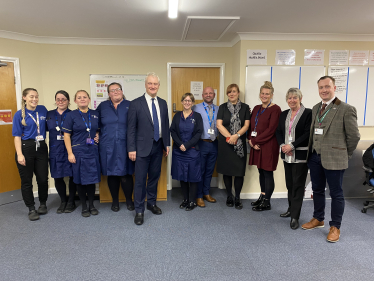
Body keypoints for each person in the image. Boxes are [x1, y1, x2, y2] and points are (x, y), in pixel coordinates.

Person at [301, 76, 360, 242]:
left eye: (327, 87)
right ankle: (318, 218)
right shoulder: (315, 108)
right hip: (314, 157)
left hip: (335, 158)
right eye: (320, 87)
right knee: (317, 190)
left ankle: (335, 226)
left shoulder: (346, 109)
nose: (324, 90)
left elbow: (354, 136)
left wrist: (344, 154)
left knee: (336, 193)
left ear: (334, 88)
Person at [127, 72, 170, 225]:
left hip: (158, 147)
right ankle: (139, 210)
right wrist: (131, 148)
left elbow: (165, 125)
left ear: (159, 86)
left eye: (155, 84)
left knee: (154, 177)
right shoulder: (135, 103)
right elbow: (131, 128)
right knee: (139, 180)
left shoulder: (163, 103)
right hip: (140, 149)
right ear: (145, 85)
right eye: (150, 83)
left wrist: (167, 144)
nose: (153, 86)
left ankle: (151, 203)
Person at [276, 88, 312, 229]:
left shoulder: (308, 113)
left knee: (298, 185)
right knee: (290, 184)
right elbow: (278, 131)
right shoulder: (284, 114)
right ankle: (291, 209)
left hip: (300, 155)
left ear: (300, 98)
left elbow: (307, 133)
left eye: (295, 97)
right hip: (286, 154)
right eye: (289, 98)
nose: (292, 100)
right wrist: (283, 145)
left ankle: (295, 217)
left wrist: (292, 145)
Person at [62, 90, 101, 218]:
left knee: (91, 179)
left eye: (85, 97)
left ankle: (92, 205)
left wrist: (97, 135)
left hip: (92, 150)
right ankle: (84, 206)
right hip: (78, 151)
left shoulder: (95, 114)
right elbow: (66, 135)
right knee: (79, 179)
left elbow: (98, 129)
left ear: (89, 99)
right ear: (75, 101)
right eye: (79, 97)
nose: (82, 99)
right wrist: (70, 153)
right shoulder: (71, 115)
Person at [96, 83, 134, 212]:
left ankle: (129, 200)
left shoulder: (131, 105)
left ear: (122, 91)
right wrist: (95, 133)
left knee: (126, 173)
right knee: (112, 174)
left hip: (126, 145)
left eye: (118, 89)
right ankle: (115, 201)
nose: (116, 92)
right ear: (109, 94)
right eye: (113, 90)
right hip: (108, 145)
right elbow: (95, 123)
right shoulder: (102, 107)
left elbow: (137, 125)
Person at [12, 88, 49, 221]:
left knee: (43, 179)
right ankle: (31, 208)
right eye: (31, 97)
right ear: (24, 98)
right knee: (27, 180)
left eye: (36, 97)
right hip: (25, 147)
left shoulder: (43, 109)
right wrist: (19, 154)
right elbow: (16, 137)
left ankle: (43, 204)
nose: (34, 99)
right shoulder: (19, 115)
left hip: (42, 147)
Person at [248, 81, 281, 211]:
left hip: (268, 145)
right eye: (262, 93)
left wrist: (255, 141)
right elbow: (251, 126)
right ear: (259, 94)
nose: (264, 96)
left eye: (267, 94)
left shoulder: (276, 109)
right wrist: (251, 140)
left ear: (271, 95)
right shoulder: (256, 108)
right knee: (261, 171)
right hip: (256, 145)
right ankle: (262, 196)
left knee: (267, 173)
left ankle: (267, 202)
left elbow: (271, 130)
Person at [216, 84, 250, 209]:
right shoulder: (222, 107)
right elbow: (219, 125)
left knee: (239, 172)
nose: (231, 94)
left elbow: (246, 126)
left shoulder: (245, 108)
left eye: (234, 91)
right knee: (227, 171)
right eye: (229, 92)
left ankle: (238, 197)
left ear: (238, 93)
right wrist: (230, 137)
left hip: (239, 143)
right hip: (226, 143)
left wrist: (236, 136)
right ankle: (229, 196)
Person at [170, 93, 203, 211]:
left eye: (190, 101)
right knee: (182, 176)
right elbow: (172, 131)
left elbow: (199, 133)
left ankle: (192, 201)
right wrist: (180, 144)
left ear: (193, 103)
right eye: (185, 100)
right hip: (179, 151)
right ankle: (185, 199)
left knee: (192, 176)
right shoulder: (177, 116)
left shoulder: (197, 116)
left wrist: (187, 145)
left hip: (192, 151)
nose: (187, 102)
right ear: (182, 102)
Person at [46, 90, 77, 214]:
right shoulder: (49, 114)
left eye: (64, 99)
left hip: (70, 149)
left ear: (68, 101)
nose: (61, 101)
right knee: (57, 176)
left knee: (72, 176)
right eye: (58, 99)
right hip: (55, 149)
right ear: (55, 101)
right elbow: (41, 129)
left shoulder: (74, 114)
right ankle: (63, 201)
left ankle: (71, 201)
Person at [192, 86, 219, 208]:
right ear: (202, 95)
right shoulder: (195, 108)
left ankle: (206, 193)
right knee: (200, 170)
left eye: (211, 93)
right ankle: (198, 196)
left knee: (209, 170)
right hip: (201, 143)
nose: (208, 95)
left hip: (214, 143)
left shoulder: (219, 109)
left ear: (214, 95)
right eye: (206, 93)